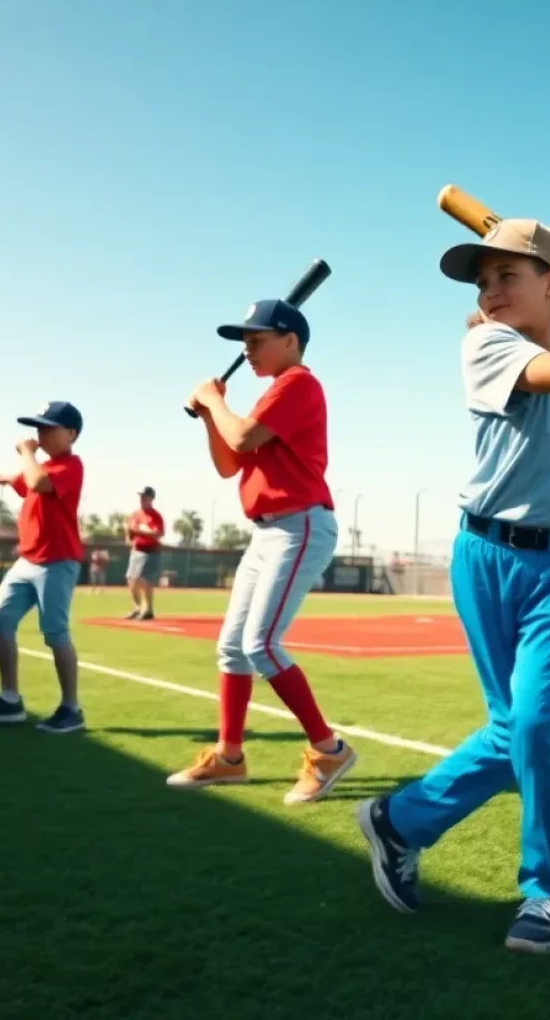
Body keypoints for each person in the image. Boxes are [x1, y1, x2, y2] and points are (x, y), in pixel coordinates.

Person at [356, 218, 550, 954]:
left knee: (533, 724)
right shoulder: (489, 345)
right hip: (485, 553)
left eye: (508, 277)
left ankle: (545, 891)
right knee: (515, 728)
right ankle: (399, 823)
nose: (491, 292)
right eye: (483, 281)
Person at [167, 298, 356, 805]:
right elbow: (231, 462)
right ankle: (230, 758)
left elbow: (245, 435)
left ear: (289, 341)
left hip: (300, 525)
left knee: (261, 645)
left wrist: (214, 400)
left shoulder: (298, 384)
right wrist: (211, 411)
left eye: (257, 341)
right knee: (232, 647)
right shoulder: (272, 395)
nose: (248, 351)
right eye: (245, 343)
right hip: (267, 531)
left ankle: (329, 749)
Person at [0, 401, 87, 734]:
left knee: (55, 633)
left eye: (48, 428)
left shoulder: (70, 466)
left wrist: (26, 453)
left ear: (71, 434)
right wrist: (3, 477)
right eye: (38, 428)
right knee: (0, 621)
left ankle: (71, 708)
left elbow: (36, 482)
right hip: (27, 560)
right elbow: (23, 480)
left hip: (57, 561)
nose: (40, 434)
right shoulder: (42, 468)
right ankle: (9, 700)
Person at [125, 486, 165, 620]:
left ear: (151, 498)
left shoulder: (155, 515)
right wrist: (129, 539)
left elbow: (158, 533)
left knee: (143, 580)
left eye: (145, 496)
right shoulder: (135, 514)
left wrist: (139, 532)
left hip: (151, 551)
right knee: (131, 579)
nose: (142, 498)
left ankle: (148, 609)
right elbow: (129, 530)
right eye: (141, 496)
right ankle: (137, 608)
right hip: (136, 550)